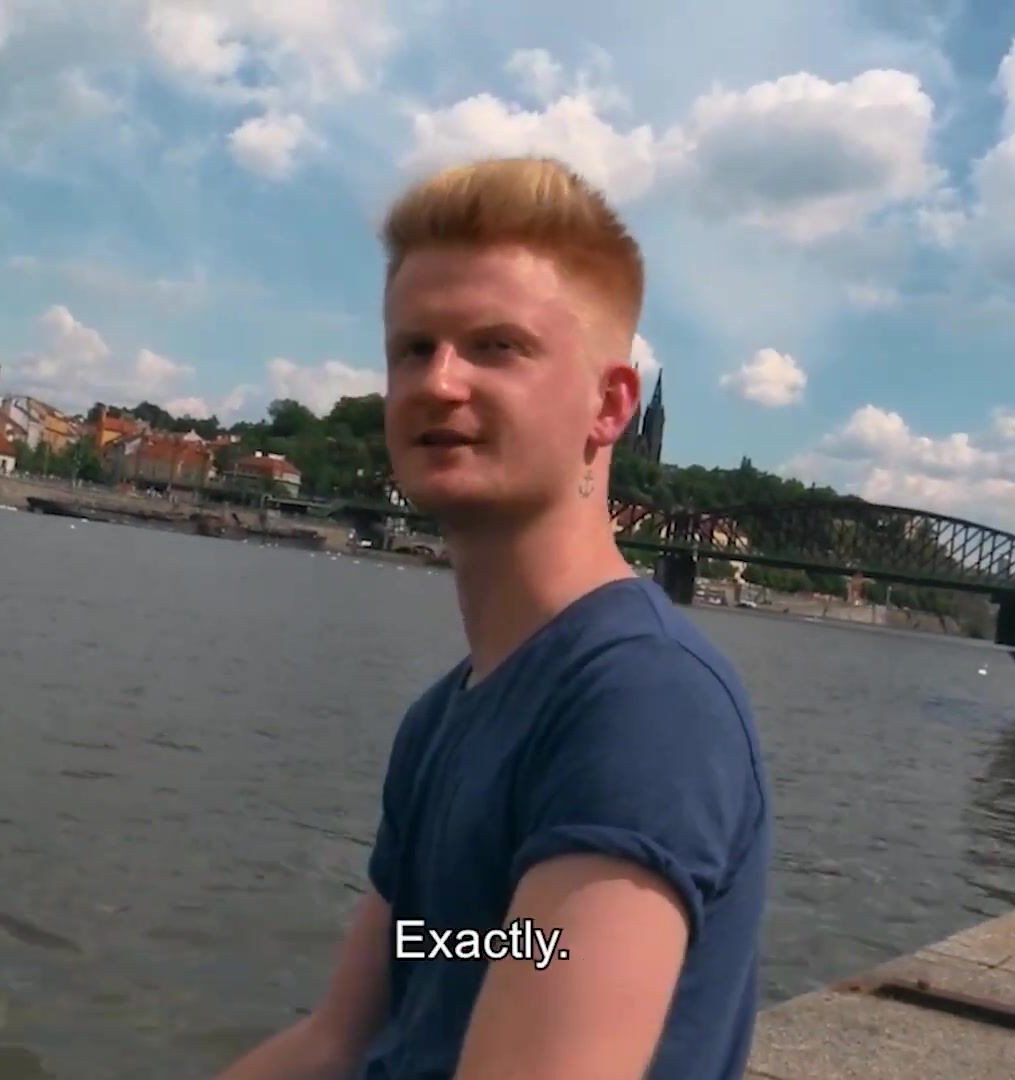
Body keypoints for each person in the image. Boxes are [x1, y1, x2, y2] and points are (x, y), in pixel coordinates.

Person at [217, 157, 771, 1079]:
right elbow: (340, 1040)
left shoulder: (644, 705)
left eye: (496, 346)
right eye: (413, 348)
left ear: (609, 405)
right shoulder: (444, 716)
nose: (438, 381)